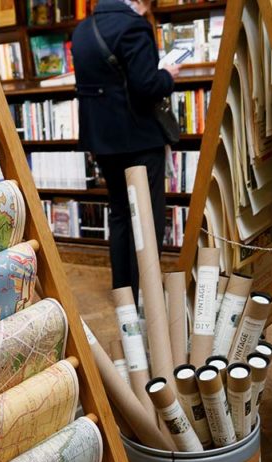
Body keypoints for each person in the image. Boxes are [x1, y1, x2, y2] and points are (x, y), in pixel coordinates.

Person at [71, 0, 181, 297]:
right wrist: (168, 75)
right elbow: (147, 85)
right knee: (146, 216)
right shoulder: (133, 27)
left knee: (120, 213)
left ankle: (124, 290)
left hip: (102, 140)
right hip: (139, 138)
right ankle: (146, 292)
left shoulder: (82, 31)